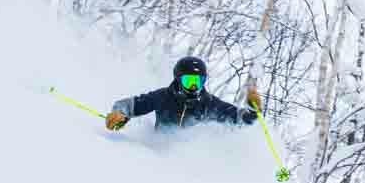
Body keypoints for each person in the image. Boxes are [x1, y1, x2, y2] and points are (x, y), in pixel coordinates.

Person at [105, 55, 256, 131]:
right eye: (188, 81)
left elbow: (234, 115)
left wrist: (251, 114)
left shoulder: (208, 103)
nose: (193, 86)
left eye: (198, 81)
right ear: (178, 78)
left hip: (186, 162)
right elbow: (129, 105)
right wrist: (120, 114)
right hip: (153, 156)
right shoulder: (163, 97)